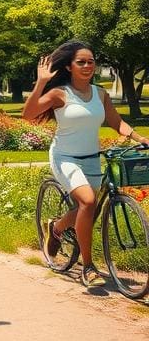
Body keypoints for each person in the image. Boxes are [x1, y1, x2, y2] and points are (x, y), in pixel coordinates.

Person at [22, 40, 149, 288]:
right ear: (69, 66)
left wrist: (140, 137)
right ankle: (88, 267)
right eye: (81, 62)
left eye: (91, 61)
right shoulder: (60, 93)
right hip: (65, 158)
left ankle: (56, 228)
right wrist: (41, 82)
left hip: (91, 158)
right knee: (88, 202)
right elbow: (28, 115)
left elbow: (116, 122)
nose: (87, 66)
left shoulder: (100, 94)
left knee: (88, 210)